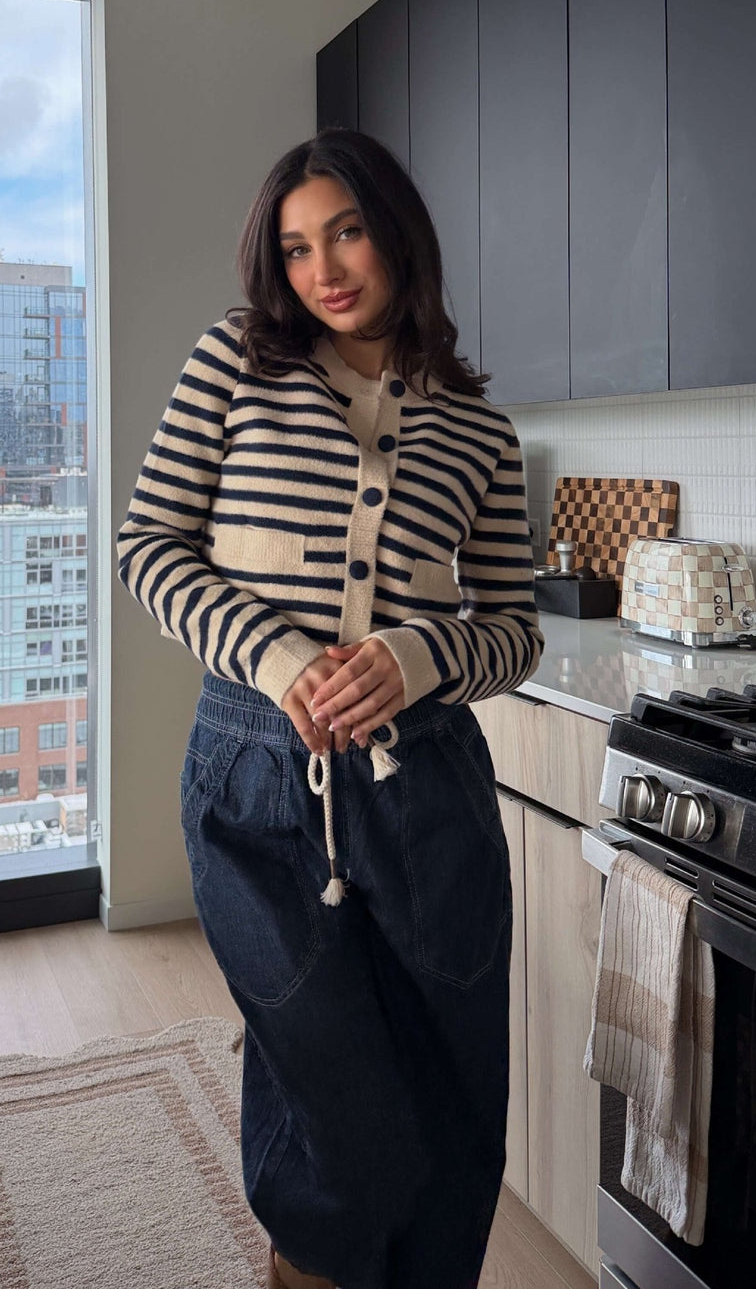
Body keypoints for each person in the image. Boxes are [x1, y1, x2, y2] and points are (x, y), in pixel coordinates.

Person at [117, 128, 544, 1289]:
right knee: (338, 1117)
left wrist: (416, 655)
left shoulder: (480, 429)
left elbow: (513, 621)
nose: (324, 269)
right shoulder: (231, 364)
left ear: (396, 227)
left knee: (454, 1114)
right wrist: (280, 654)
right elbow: (147, 546)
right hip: (256, 783)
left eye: (346, 230)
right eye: (296, 246)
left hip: (429, 794)